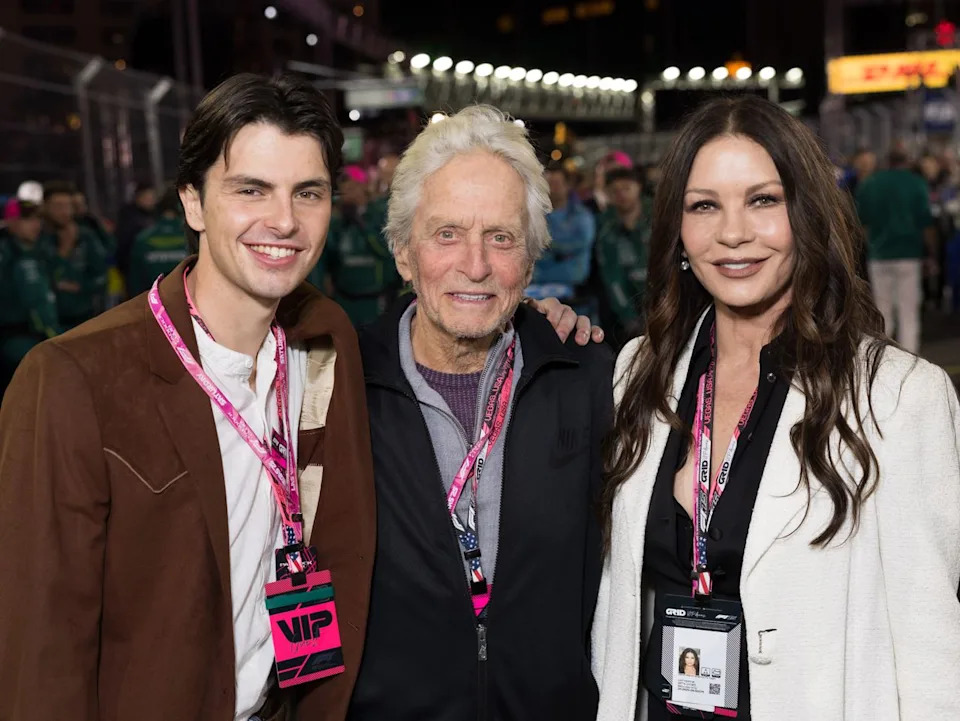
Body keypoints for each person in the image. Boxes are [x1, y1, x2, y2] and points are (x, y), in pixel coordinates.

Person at [0, 73, 377, 721]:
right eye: (251, 189)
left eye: (307, 192)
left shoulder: (324, 340)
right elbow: (42, 649)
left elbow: (341, 539)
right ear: (194, 204)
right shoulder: (72, 379)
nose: (284, 220)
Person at [592, 96, 960, 721]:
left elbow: (930, 646)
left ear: (807, 214)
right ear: (677, 230)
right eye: (704, 205)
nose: (733, 232)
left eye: (763, 200)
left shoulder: (899, 397)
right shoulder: (637, 373)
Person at [349, 105, 613, 720]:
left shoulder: (590, 380)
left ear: (530, 259)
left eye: (502, 237)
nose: (476, 265)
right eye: (447, 234)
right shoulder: (338, 389)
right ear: (403, 253)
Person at [856, 148, 937, 353]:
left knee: (883, 313)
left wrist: (870, 246)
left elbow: (861, 222)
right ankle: (910, 361)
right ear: (906, 161)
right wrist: (932, 252)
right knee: (908, 313)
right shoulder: (916, 183)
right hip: (909, 254)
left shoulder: (871, 183)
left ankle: (884, 360)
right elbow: (925, 222)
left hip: (879, 255)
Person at [324, 165, 398, 327]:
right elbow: (329, 256)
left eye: (352, 187)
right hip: (345, 297)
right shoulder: (338, 221)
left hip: (375, 298)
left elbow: (386, 251)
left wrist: (362, 221)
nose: (348, 194)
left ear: (363, 186)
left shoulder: (379, 213)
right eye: (344, 190)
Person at [0, 198, 59, 391]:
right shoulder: (10, 256)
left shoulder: (35, 252)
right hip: (15, 340)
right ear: (11, 222)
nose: (36, 224)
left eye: (37, 219)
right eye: (27, 219)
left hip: (34, 338)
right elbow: (32, 301)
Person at [594, 166, 651, 346]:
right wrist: (628, 317)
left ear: (639, 187)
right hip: (627, 307)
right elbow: (612, 276)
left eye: (627, 188)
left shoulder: (660, 215)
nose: (621, 195)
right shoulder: (605, 225)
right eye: (615, 191)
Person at [529, 162, 596, 314]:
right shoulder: (531, 217)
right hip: (534, 292)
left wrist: (543, 248)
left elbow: (578, 246)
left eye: (556, 183)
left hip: (573, 294)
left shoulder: (582, 216)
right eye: (547, 183)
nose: (552, 187)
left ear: (567, 186)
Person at [40, 180, 109, 329]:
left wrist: (82, 287)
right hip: (48, 322)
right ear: (45, 208)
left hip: (85, 317)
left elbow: (102, 274)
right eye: (58, 206)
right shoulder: (38, 238)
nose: (65, 212)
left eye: (68, 206)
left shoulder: (87, 237)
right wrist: (64, 251)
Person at [127, 185, 189, 297]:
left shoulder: (142, 238)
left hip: (150, 304)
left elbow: (135, 281)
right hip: (186, 304)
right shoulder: (191, 237)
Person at [115, 180, 158, 277]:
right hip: (132, 268)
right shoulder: (128, 217)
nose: (152, 201)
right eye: (147, 198)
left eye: (152, 197)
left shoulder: (155, 215)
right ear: (138, 198)